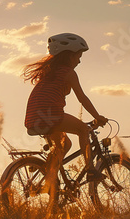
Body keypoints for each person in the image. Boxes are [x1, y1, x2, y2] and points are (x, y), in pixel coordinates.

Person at [23, 33, 108, 200]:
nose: (79, 61)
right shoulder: (68, 73)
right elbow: (82, 98)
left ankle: (49, 181)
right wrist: (97, 116)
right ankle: (90, 170)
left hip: (33, 117)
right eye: (78, 56)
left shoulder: (48, 72)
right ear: (69, 55)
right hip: (50, 114)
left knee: (64, 145)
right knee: (83, 130)